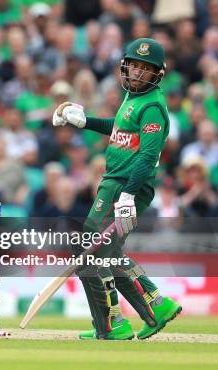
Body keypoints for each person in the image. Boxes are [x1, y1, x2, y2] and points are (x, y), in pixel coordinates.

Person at [52, 38, 182, 340]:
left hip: (127, 185)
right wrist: (85, 122)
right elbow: (120, 128)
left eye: (145, 68)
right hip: (116, 182)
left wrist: (127, 195)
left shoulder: (152, 106)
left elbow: (148, 155)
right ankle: (154, 306)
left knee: (89, 248)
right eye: (133, 65)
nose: (137, 72)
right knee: (104, 251)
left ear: (157, 74)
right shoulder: (133, 98)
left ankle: (113, 322)